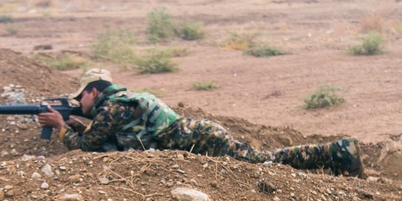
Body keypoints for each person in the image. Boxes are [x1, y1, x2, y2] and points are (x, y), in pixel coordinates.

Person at [36, 68, 364, 177]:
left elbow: (88, 148)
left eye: (82, 98)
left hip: (201, 139)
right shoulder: (122, 102)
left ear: (93, 91)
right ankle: (336, 158)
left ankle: (337, 152)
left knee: (263, 161)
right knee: (262, 160)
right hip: (198, 135)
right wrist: (78, 123)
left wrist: (61, 126)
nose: (81, 104)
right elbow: (110, 140)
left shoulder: (113, 107)